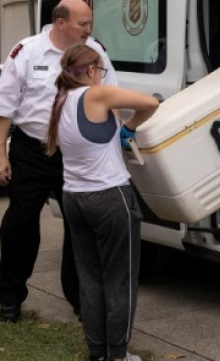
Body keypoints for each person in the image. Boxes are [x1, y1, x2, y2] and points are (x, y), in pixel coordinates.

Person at [0, 0, 115, 322]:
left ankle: (81, 299)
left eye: (90, 22)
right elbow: (4, 106)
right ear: (60, 23)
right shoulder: (27, 51)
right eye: (82, 24)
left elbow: (109, 96)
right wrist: (0, 154)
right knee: (21, 223)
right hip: (32, 151)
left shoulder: (96, 51)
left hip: (77, 153)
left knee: (80, 228)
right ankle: (11, 296)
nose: (89, 29)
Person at [45, 44, 158, 361]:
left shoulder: (61, 100)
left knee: (90, 279)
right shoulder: (96, 95)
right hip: (110, 197)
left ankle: (97, 353)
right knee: (120, 279)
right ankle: (118, 356)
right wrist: (128, 128)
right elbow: (150, 103)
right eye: (101, 71)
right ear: (92, 71)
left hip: (74, 198)